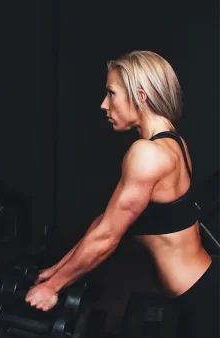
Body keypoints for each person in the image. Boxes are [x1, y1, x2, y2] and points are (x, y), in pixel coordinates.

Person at [25, 50, 218, 338]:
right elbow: (104, 222)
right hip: (203, 288)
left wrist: (51, 289)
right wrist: (57, 271)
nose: (104, 104)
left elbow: (108, 237)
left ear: (139, 96)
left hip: (203, 300)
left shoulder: (146, 154)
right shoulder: (175, 143)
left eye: (111, 93)